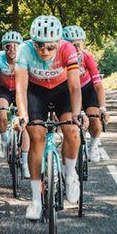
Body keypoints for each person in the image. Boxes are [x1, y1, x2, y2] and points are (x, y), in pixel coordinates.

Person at [14, 15, 86, 221]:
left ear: (59, 43)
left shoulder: (68, 50)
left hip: (62, 90)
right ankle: (36, 199)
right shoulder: (25, 50)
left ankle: (71, 174)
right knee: (36, 136)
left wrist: (77, 112)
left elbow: (74, 87)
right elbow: (21, 87)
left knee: (72, 130)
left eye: (50, 47)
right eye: (39, 46)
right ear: (32, 42)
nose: (44, 51)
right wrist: (23, 115)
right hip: (36, 92)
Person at [63, 25, 108, 162]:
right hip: (69, 90)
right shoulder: (60, 58)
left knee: (94, 120)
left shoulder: (87, 56)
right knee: (68, 123)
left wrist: (102, 108)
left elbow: (98, 85)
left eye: (78, 44)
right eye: (72, 45)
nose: (76, 49)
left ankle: (93, 144)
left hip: (87, 89)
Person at [0, 30, 30, 177]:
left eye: (15, 46)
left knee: (24, 122)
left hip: (22, 89)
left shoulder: (26, 57)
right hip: (4, 89)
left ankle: (25, 163)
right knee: (1, 112)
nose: (12, 50)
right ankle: (4, 140)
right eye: (8, 46)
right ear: (3, 48)